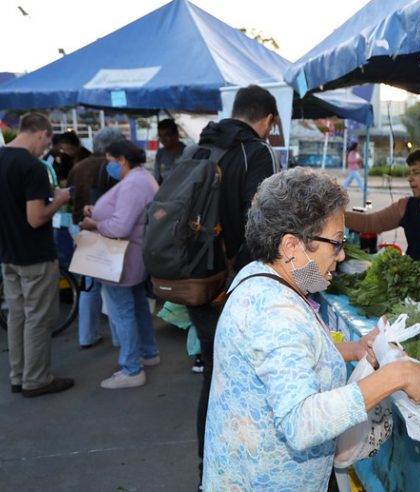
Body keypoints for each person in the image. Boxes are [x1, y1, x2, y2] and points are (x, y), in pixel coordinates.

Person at [202, 167, 420, 490]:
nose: (342, 255)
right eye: (336, 243)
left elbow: (284, 357)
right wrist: (397, 376)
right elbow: (302, 422)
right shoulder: (275, 311)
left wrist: (354, 349)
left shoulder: (263, 275)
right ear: (292, 246)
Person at [185, 84, 281, 475]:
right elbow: (262, 226)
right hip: (230, 286)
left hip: (193, 279)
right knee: (238, 381)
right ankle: (228, 472)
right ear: (268, 120)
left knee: (213, 375)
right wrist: (237, 284)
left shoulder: (200, 148)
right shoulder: (255, 152)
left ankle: (208, 465)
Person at [0, 112, 74, 397]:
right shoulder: (32, 167)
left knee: (17, 317)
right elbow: (36, 218)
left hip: (8, 252)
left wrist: (11, 209)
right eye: (47, 141)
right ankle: (36, 379)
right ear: (41, 133)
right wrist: (59, 199)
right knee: (38, 318)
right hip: (35, 254)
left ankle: (18, 375)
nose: (45, 148)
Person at [79, 140, 159, 389]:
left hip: (121, 259)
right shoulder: (142, 179)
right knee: (136, 308)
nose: (108, 166)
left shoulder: (133, 184)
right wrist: (99, 213)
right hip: (132, 257)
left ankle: (131, 368)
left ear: (122, 159)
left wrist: (95, 224)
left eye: (110, 160)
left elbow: (120, 226)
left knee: (123, 312)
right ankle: (147, 352)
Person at [67, 127, 124, 348]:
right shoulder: (112, 168)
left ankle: (86, 335)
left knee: (89, 286)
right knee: (112, 288)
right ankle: (120, 338)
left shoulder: (79, 166)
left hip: (80, 227)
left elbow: (71, 196)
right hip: (104, 230)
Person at [153, 118, 186, 184]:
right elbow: (157, 178)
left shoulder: (186, 153)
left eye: (166, 136)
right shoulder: (160, 153)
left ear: (176, 135)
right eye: (160, 136)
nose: (163, 140)